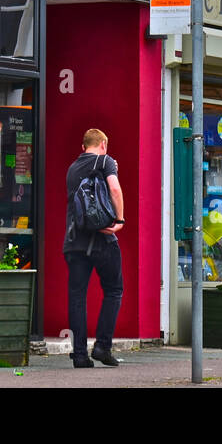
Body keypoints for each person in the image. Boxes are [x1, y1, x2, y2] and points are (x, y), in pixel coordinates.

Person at [64, 128, 125, 368]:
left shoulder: (72, 169)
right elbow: (115, 189)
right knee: (114, 290)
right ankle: (102, 346)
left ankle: (79, 355)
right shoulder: (106, 161)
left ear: (82, 147)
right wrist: (119, 220)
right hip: (102, 240)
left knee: (77, 297)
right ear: (103, 144)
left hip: (74, 241)